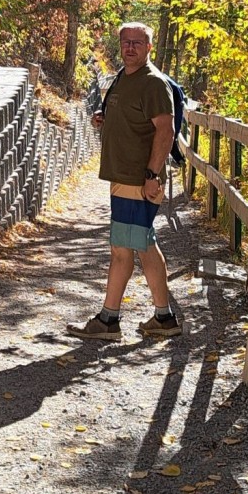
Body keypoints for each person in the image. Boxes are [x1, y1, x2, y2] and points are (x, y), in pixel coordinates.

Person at [67, 21, 180, 341]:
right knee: (142, 245)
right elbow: (133, 117)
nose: (131, 47)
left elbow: (166, 131)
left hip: (137, 179)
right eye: (126, 42)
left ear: (149, 47)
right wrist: (105, 118)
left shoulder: (154, 83)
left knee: (123, 249)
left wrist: (151, 176)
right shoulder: (123, 77)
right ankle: (162, 317)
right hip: (125, 179)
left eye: (138, 43)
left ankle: (109, 320)